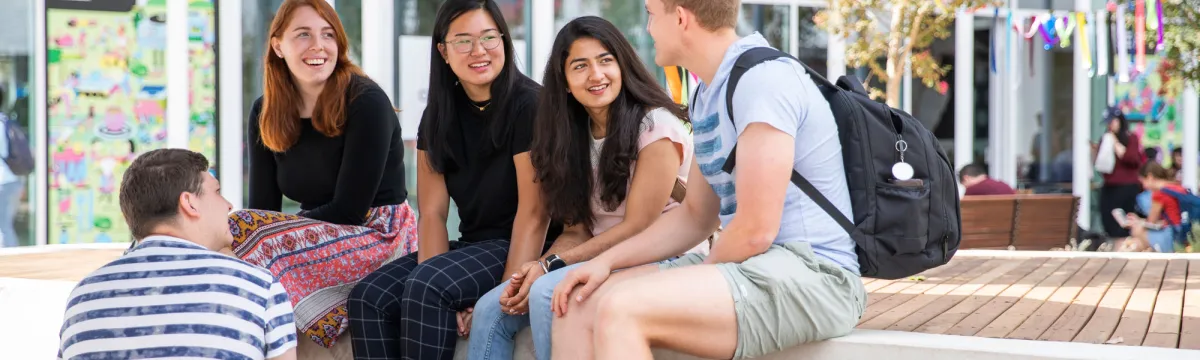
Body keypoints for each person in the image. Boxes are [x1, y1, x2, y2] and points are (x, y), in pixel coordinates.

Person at [548, 0, 865, 359]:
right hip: (752, 265)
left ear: (680, 18)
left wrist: (687, 282)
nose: (648, 29)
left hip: (815, 275)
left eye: (651, 14)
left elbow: (755, 230)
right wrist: (604, 262)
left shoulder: (762, 80)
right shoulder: (708, 92)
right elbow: (695, 216)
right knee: (577, 304)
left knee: (622, 306)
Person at [467, 16, 694, 360]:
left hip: (662, 254)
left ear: (622, 65)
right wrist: (537, 267)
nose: (596, 75)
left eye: (605, 60)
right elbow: (576, 229)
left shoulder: (655, 127)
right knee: (492, 308)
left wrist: (549, 267)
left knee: (548, 292)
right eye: (580, 66)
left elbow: (638, 227)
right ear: (565, 82)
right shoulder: (569, 136)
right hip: (601, 256)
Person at [346, 1, 558, 359]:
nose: (479, 51)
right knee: (369, 298)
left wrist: (495, 298)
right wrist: (436, 276)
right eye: (463, 41)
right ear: (443, 51)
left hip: (523, 246)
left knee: (427, 286)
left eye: (489, 37)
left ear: (504, 41)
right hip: (474, 246)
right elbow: (432, 213)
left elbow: (535, 214)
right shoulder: (437, 115)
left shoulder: (531, 106)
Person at [234, 0, 417, 348]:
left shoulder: (366, 101)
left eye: (328, 35)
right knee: (237, 236)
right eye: (303, 35)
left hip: (380, 235)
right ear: (278, 46)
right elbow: (263, 209)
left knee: (240, 230)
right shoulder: (265, 110)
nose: (318, 46)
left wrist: (271, 233)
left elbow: (349, 209)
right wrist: (262, 233)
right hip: (319, 234)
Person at [57, 149, 298, 360]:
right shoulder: (259, 288)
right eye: (217, 192)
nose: (228, 205)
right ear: (189, 203)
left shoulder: (82, 297)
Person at [1095, 107, 1145, 239]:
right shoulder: (1106, 139)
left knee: (1125, 222)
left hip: (1127, 186)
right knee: (1108, 218)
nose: (1110, 126)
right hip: (1110, 186)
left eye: (1112, 122)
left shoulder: (1131, 138)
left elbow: (1132, 159)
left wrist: (1116, 143)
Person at [1122, 162, 1185, 253]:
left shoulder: (1159, 194)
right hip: (1184, 233)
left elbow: (1151, 222)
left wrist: (1137, 222)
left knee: (1136, 230)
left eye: (1143, 182)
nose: (1143, 186)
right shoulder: (1177, 186)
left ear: (1150, 177)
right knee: (1137, 242)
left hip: (1173, 237)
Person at [0, 85, 22, 247]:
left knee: (3, 226)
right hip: (12, 179)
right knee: (5, 225)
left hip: (2, 181)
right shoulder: (6, 121)